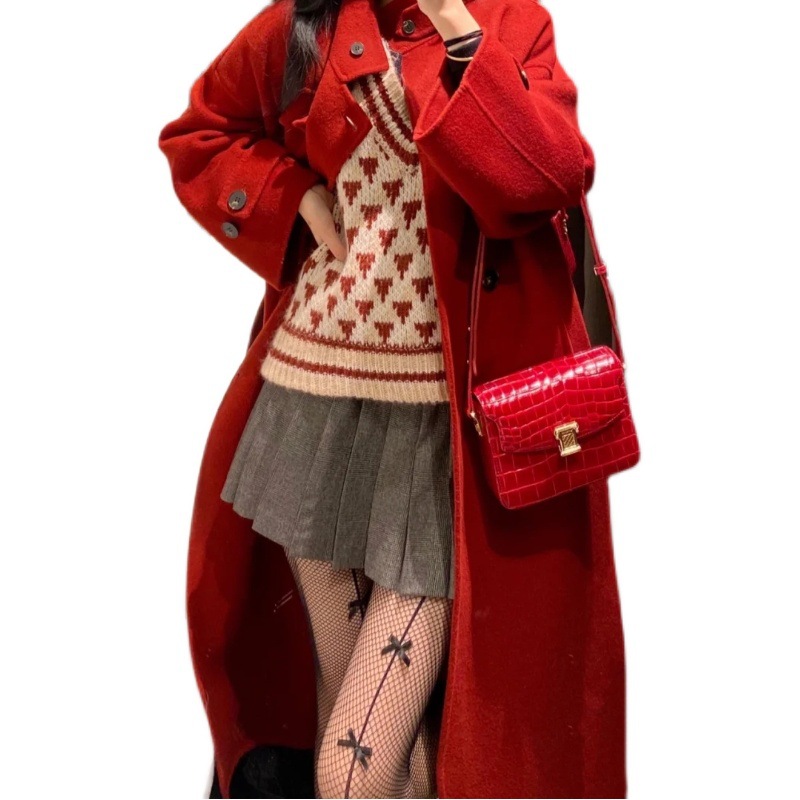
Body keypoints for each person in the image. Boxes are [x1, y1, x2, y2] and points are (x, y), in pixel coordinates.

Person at [159, 0, 627, 797]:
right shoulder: (307, 23)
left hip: (439, 431)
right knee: (369, 738)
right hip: (310, 402)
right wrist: (290, 196)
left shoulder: (509, 22)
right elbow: (202, 131)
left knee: (355, 769)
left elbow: (547, 176)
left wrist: (456, 25)